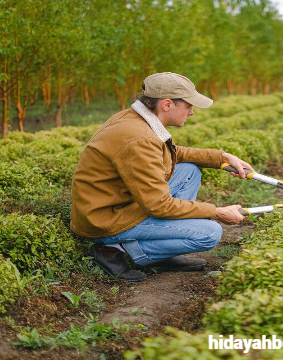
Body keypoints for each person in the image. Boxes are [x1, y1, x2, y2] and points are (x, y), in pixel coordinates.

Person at [70, 72, 253, 281]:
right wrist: (216, 212)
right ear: (167, 105)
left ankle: (162, 250)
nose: (192, 112)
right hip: (106, 219)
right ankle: (113, 249)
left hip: (121, 203)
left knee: (189, 171)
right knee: (210, 232)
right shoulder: (139, 139)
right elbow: (159, 205)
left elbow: (175, 153)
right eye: (188, 105)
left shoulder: (136, 119)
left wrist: (221, 157)